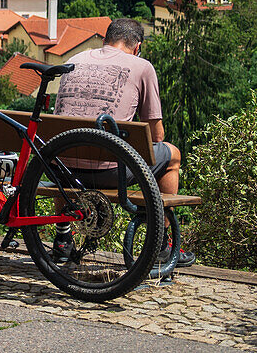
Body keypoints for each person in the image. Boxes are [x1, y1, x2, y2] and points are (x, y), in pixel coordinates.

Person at [53, 17, 195, 267]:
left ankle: (63, 238)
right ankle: (161, 244)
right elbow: (157, 135)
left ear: (105, 40)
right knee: (171, 155)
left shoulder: (73, 60)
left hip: (62, 170)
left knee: (68, 150)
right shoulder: (141, 66)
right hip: (110, 172)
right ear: (137, 46)